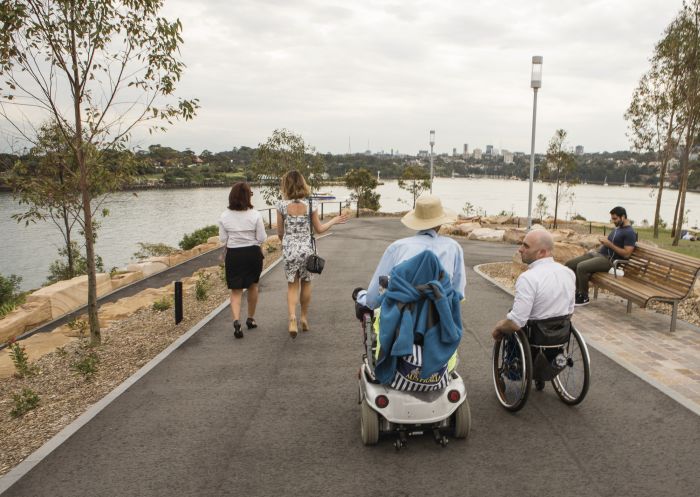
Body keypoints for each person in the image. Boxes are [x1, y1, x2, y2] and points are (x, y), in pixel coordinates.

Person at [355, 194, 466, 388]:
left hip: (401, 322)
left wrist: (361, 297)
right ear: (440, 223)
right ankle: (441, 370)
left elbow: (373, 299)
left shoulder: (397, 248)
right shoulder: (454, 248)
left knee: (368, 308)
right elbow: (458, 294)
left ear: (416, 222)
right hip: (438, 324)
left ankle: (386, 367)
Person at [276, 170, 349, 338]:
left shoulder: (280, 206)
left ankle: (292, 317)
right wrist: (334, 220)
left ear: (286, 186)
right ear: (303, 183)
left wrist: (287, 243)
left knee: (292, 285)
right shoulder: (311, 204)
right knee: (306, 283)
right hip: (307, 249)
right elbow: (319, 229)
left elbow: (280, 233)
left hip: (289, 249)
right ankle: (303, 318)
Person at [491, 229, 575, 340]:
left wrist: (499, 327)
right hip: (560, 335)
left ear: (542, 252)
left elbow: (516, 322)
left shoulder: (528, 278)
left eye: (526, 246)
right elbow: (569, 311)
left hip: (535, 336)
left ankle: (512, 357)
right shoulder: (568, 273)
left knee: (510, 319)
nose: (520, 249)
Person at [219, 182, 267, 339]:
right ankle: (250, 319)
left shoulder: (224, 216)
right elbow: (261, 238)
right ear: (248, 196)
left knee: (236, 290)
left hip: (234, 255)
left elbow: (222, 239)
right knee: (253, 286)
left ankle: (236, 321)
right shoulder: (255, 215)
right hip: (252, 253)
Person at [565, 206, 636, 306]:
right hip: (598, 255)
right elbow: (610, 243)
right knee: (569, 264)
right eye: (612, 218)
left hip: (609, 261)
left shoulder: (630, 233)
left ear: (623, 217)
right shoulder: (618, 228)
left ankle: (584, 296)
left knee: (581, 267)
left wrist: (609, 244)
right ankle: (577, 292)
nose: (613, 221)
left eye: (615, 218)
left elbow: (627, 253)